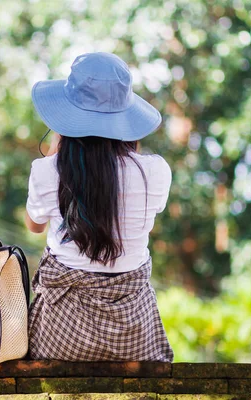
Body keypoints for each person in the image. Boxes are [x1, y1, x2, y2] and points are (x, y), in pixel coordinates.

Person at [24, 52, 174, 362]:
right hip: (131, 336)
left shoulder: (47, 171)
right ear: (125, 118)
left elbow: (34, 225)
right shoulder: (156, 172)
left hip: (59, 335)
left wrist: (55, 152)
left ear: (66, 117)